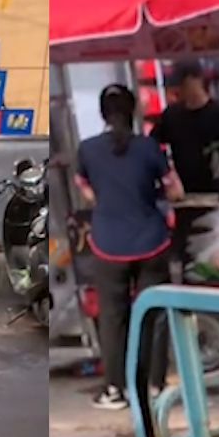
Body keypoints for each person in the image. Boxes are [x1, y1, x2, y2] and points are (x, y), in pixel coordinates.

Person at [76, 84, 182, 411]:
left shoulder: (87, 150)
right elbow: (175, 190)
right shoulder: (149, 147)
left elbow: (86, 192)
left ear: (102, 115)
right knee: (154, 312)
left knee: (112, 318)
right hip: (151, 242)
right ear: (134, 111)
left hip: (108, 245)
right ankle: (154, 385)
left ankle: (115, 389)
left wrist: (107, 200)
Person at [154, 62, 219, 280]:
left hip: (217, 201)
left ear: (196, 80)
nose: (181, 90)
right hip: (185, 202)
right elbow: (152, 149)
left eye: (183, 83)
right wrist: (167, 178)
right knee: (188, 263)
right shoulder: (172, 117)